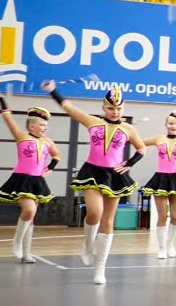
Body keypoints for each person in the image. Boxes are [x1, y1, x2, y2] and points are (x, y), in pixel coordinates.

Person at [42, 84, 146, 285]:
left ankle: (100, 269)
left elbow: (141, 148)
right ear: (103, 107)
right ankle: (88, 244)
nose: (115, 112)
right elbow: (68, 107)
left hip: (115, 176)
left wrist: (130, 163)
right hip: (93, 172)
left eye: (118, 109)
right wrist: (53, 91)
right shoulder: (92, 122)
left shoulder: (127, 129)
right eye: (111, 108)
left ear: (123, 108)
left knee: (108, 220)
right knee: (94, 212)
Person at [0, 93, 60, 264]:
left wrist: (50, 167)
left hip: (37, 181)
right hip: (21, 179)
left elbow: (57, 155)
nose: (45, 128)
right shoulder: (22, 137)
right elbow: (8, 116)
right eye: (42, 125)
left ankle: (27, 253)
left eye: (46, 125)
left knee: (31, 216)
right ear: (32, 126)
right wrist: (0, 99)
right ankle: (16, 241)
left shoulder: (48, 142)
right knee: (29, 210)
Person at [140, 111, 176, 260]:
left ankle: (171, 245)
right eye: (171, 123)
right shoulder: (159, 138)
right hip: (160, 179)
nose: (173, 126)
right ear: (166, 125)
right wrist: (126, 138)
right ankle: (162, 248)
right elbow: (139, 142)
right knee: (162, 216)